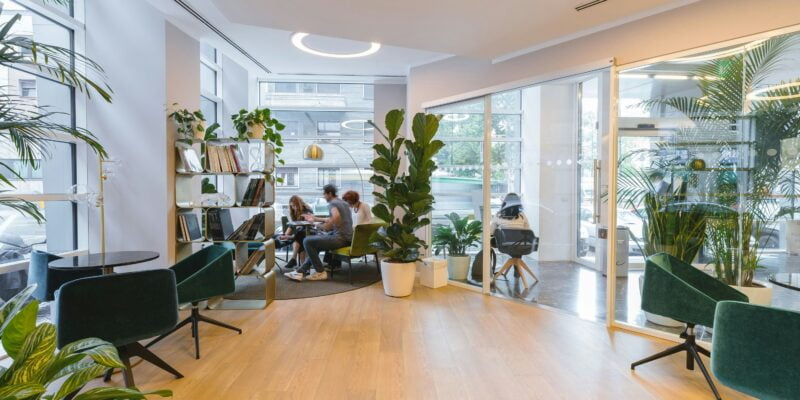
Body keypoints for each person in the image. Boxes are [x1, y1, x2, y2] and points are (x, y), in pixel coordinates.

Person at [284, 184, 353, 281]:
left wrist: (324, 226)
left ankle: (320, 271)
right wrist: (315, 219)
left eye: (324, 194)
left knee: (307, 241)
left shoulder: (332, 203)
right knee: (315, 243)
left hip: (340, 238)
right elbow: (333, 218)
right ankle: (301, 272)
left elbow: (336, 217)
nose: (324, 197)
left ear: (329, 193)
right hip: (348, 238)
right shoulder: (343, 203)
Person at [277, 195, 313, 269]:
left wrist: (287, 236)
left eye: (294, 205)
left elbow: (307, 224)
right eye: (292, 206)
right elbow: (292, 225)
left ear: (298, 204)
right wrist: (285, 235)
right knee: (300, 239)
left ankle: (294, 259)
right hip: (300, 233)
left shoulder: (307, 210)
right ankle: (303, 266)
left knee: (300, 235)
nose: (293, 208)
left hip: (309, 231)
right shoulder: (295, 212)